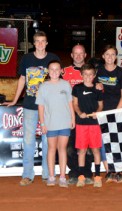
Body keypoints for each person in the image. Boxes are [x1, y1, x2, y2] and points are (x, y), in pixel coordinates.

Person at [4, 31, 60, 186]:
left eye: (43, 41)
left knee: (48, 140)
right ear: (33, 43)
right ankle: (28, 174)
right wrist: (16, 100)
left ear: (47, 43)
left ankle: (47, 173)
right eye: (38, 41)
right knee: (28, 140)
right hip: (29, 105)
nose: (40, 44)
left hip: (49, 107)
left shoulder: (53, 58)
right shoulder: (27, 58)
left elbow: (57, 81)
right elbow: (22, 79)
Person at [36, 60, 75, 187]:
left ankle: (63, 176)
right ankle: (51, 176)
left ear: (61, 71)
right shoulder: (43, 86)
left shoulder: (66, 85)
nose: (54, 72)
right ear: (48, 71)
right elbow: (41, 107)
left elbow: (70, 104)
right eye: (51, 69)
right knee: (51, 149)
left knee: (62, 149)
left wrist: (73, 119)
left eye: (57, 69)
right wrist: (42, 124)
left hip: (65, 122)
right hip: (50, 124)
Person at [95, 44, 122, 183]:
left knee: (117, 142)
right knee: (104, 142)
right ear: (103, 56)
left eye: (112, 54)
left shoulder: (121, 73)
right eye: (107, 54)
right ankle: (109, 171)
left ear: (116, 56)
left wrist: (117, 111)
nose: (110, 57)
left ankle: (118, 171)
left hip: (117, 112)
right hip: (102, 113)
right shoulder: (98, 72)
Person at [62, 44, 95, 185]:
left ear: (85, 55)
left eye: (81, 53)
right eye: (76, 53)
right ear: (71, 55)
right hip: (69, 116)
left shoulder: (91, 72)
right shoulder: (64, 72)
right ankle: (74, 173)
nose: (78, 56)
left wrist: (99, 85)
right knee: (70, 147)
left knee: (87, 148)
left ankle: (87, 173)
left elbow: (98, 89)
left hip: (86, 117)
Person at [72, 63, 103, 188]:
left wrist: (98, 113)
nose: (88, 77)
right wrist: (79, 113)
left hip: (95, 124)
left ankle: (97, 176)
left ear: (94, 75)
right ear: (81, 75)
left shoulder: (98, 88)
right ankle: (81, 176)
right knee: (82, 150)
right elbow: (75, 104)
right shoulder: (77, 88)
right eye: (85, 74)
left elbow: (101, 105)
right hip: (81, 124)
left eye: (90, 74)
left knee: (96, 150)